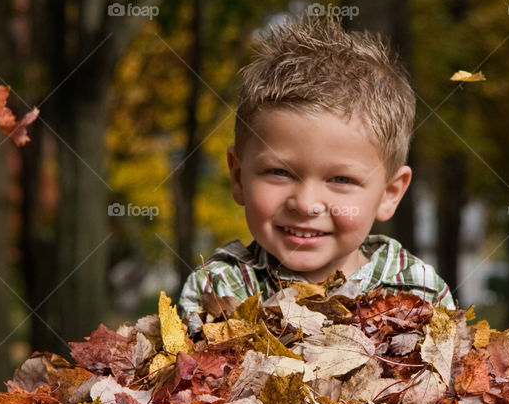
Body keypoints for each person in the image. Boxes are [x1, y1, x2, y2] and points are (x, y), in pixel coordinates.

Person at [178, 16, 455, 320]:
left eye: (341, 179)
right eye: (279, 173)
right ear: (238, 177)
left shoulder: (418, 291)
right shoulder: (218, 288)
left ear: (389, 193)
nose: (306, 204)